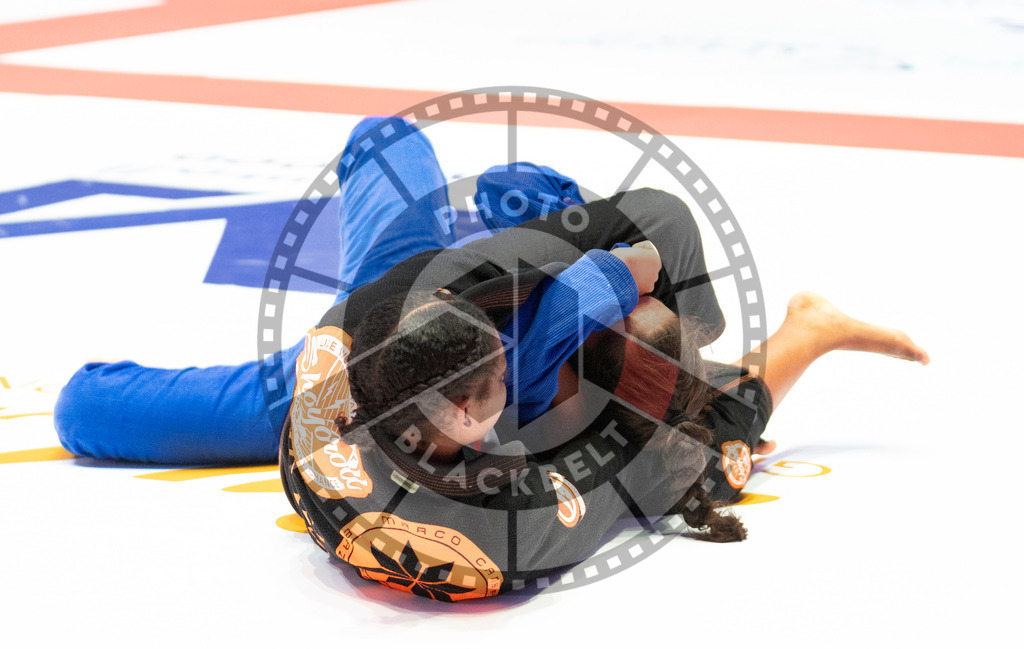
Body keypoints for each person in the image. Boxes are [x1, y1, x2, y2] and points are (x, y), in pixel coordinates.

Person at [54, 116, 928, 601]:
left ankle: (562, 229)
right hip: (407, 316)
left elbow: (638, 272)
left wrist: (666, 300)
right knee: (87, 411)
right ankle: (562, 234)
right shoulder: (357, 389)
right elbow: (694, 433)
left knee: (407, 154)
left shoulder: (514, 336)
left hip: (440, 309)